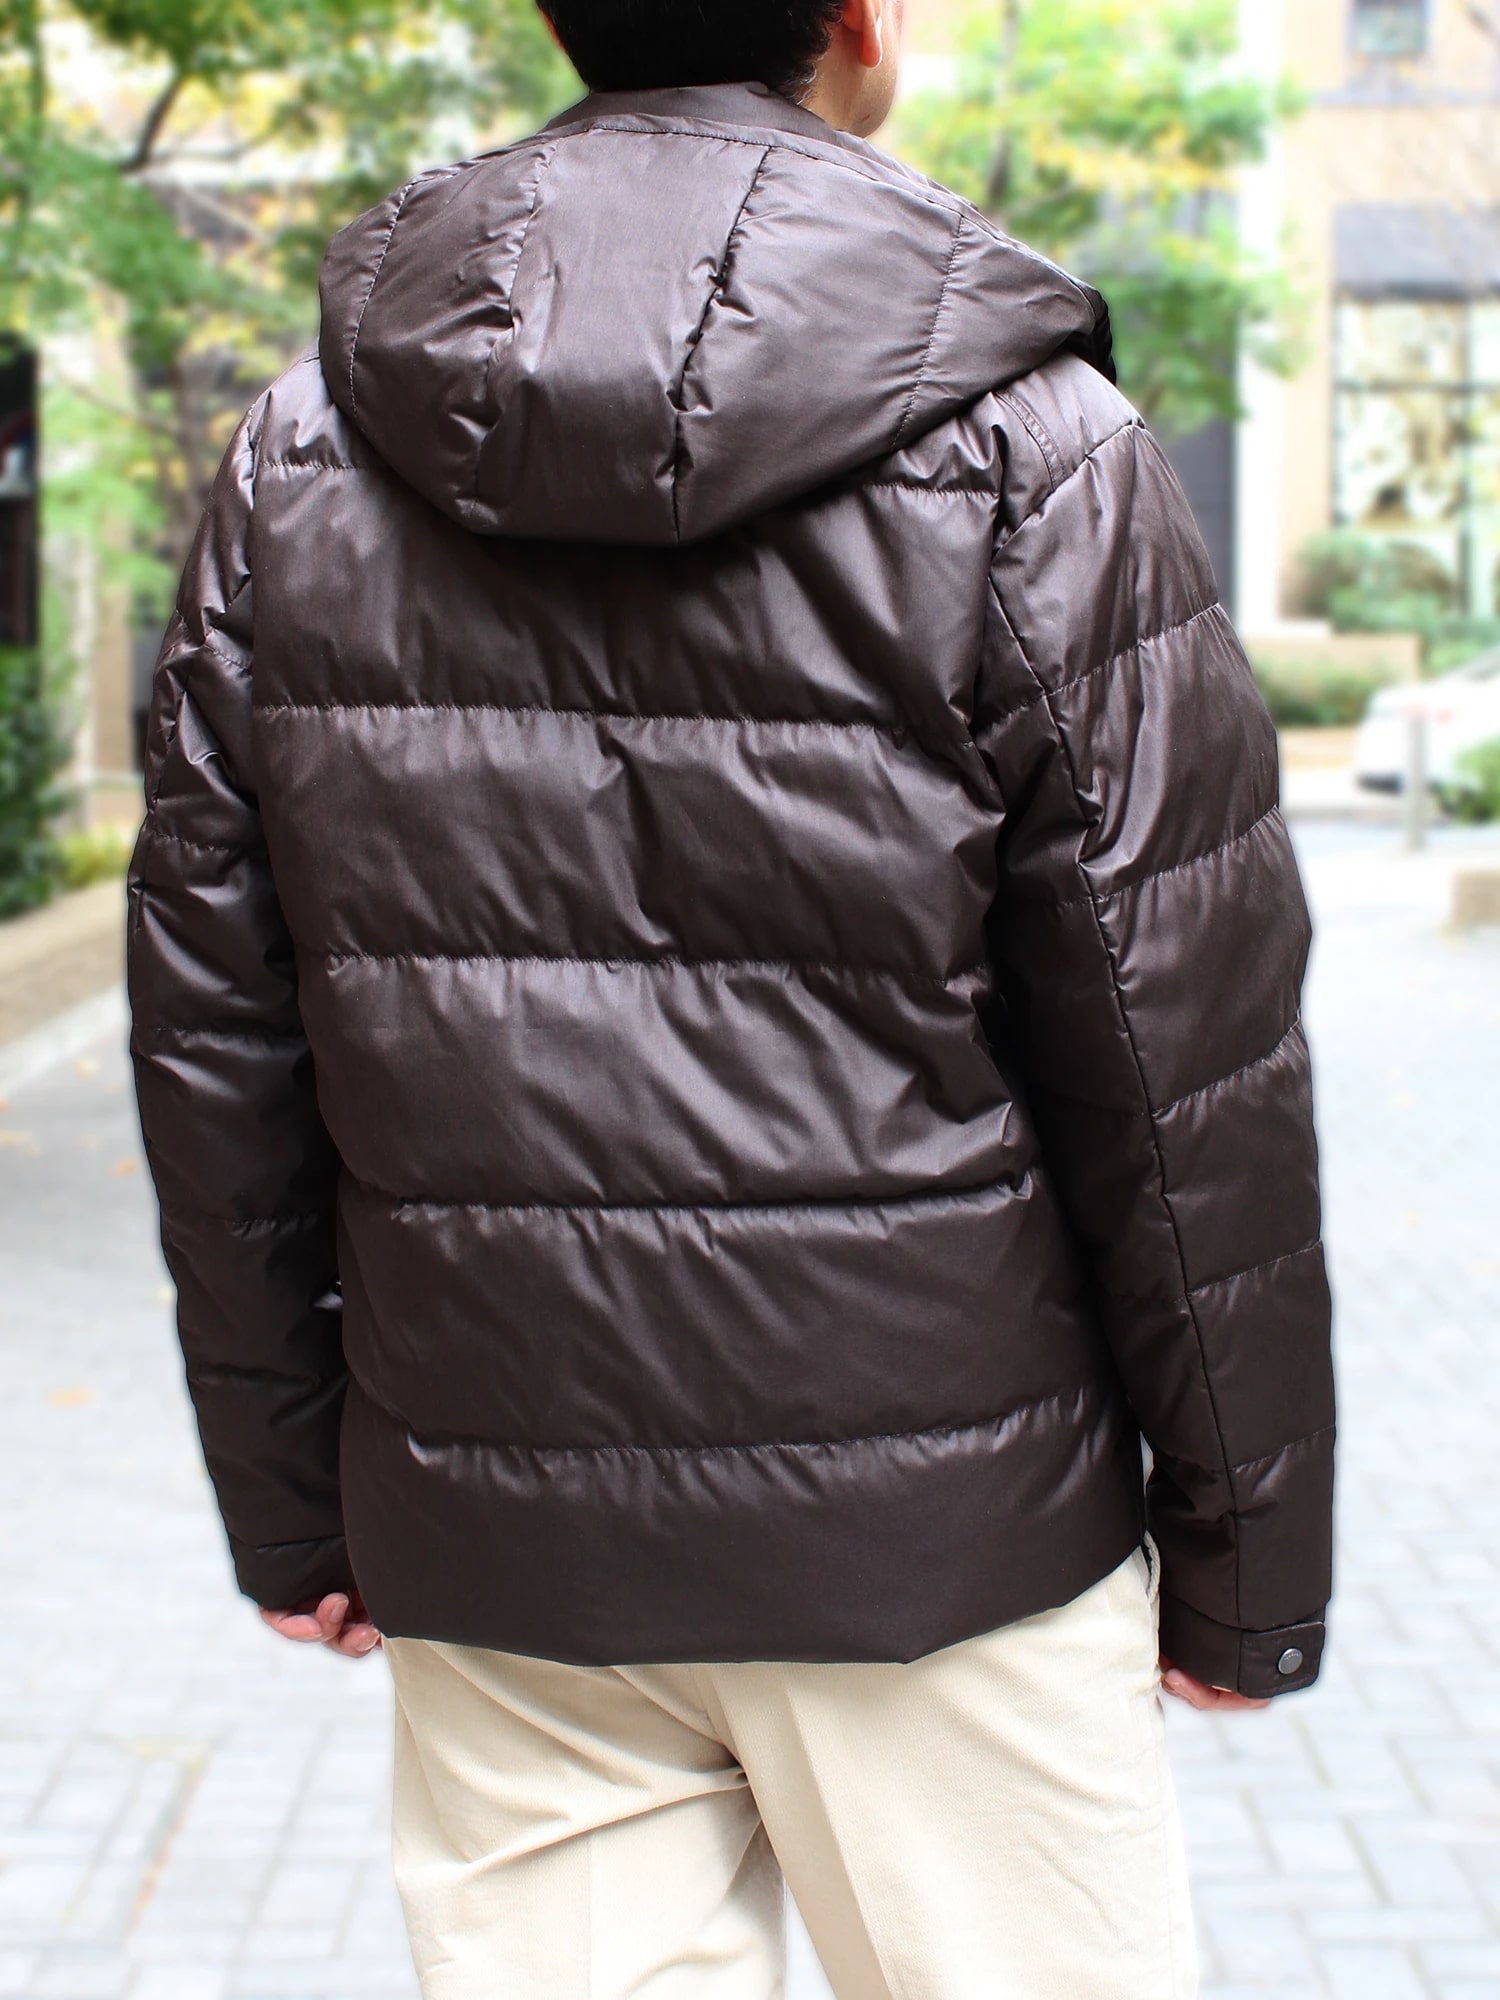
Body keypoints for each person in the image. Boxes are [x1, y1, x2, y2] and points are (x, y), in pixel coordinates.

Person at [128, 0, 1335, 1993]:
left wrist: (290, 1500)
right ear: (856, 18)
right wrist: (1247, 1556)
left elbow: (218, 1032)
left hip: (505, 1539)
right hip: (948, 1548)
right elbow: (1180, 1053)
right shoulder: (1036, 450)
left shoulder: (301, 452)